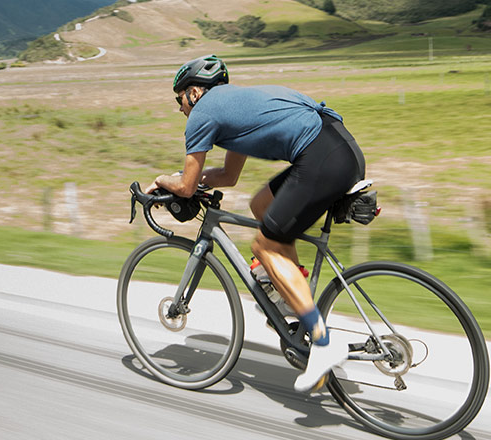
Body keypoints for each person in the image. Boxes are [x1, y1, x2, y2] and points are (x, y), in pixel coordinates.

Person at [148, 55, 365, 393]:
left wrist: (164, 179)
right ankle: (289, 293)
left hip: (321, 157)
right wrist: (184, 179)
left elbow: (188, 187)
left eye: (179, 99)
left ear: (193, 92)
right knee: (261, 205)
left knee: (263, 246)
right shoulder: (232, 107)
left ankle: (323, 343)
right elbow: (229, 177)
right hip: (339, 147)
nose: (180, 109)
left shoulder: (204, 113)